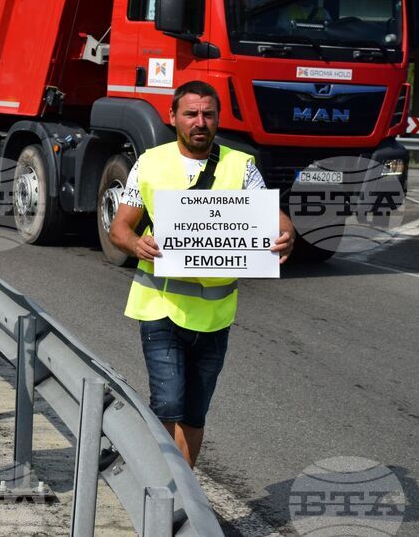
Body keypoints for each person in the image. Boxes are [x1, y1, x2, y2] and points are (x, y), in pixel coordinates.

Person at [109, 80, 295, 468]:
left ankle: (182, 492)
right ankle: (163, 491)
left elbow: (270, 216)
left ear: (217, 119)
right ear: (173, 117)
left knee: (194, 412)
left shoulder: (240, 165)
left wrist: (285, 232)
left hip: (215, 315)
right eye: (191, 114)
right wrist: (134, 244)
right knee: (168, 403)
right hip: (160, 307)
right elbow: (120, 227)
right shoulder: (151, 162)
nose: (200, 122)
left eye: (208, 115)